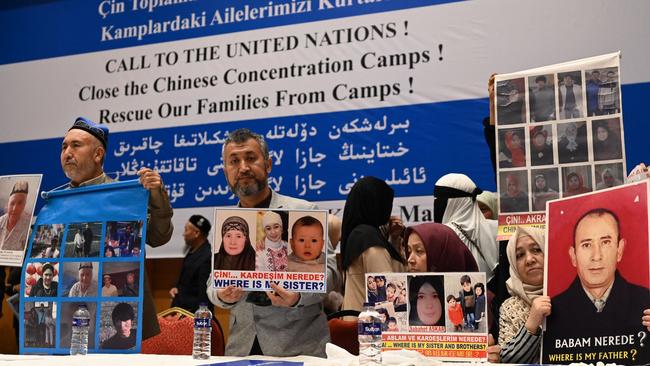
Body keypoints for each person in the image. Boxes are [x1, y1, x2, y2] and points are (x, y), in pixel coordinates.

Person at [206, 128, 330, 357]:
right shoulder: (224, 225)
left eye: (251, 158)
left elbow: (331, 275)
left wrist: (298, 297)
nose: (243, 167)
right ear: (225, 171)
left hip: (299, 349)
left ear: (268, 164)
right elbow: (213, 283)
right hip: (242, 349)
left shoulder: (304, 212)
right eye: (234, 161)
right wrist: (221, 296)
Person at [60, 117, 173, 339]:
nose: (67, 152)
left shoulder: (124, 198)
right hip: (70, 328)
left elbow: (159, 237)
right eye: (64, 146)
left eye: (75, 145)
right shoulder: (55, 201)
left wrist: (157, 197)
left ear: (98, 154)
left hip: (121, 323)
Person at [543, 208, 650, 364]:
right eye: (586, 245)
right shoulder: (553, 310)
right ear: (573, 256)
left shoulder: (645, 300)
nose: (596, 256)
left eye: (606, 242)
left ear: (619, 250)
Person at [340, 176, 405, 312]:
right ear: (376, 204)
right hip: (373, 328)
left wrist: (393, 239)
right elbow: (387, 292)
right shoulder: (370, 241)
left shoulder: (359, 235)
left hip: (357, 323)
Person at [490, 226, 550, 364]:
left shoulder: (574, 296)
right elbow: (508, 361)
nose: (529, 259)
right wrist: (533, 321)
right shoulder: (510, 307)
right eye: (519, 255)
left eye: (536, 249)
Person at [434, 173, 498, 281]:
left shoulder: (444, 236)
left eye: (441, 198)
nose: (437, 203)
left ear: (456, 202)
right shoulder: (497, 227)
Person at [170, 214, 213, 313]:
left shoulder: (207, 257)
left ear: (196, 233)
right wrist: (176, 287)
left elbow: (204, 294)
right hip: (183, 311)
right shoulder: (192, 251)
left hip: (195, 315)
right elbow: (186, 278)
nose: (183, 234)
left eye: (186, 230)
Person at [404, 222, 479, 273]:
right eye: (409, 251)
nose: (410, 260)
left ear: (441, 255)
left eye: (419, 251)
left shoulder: (482, 295)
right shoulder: (403, 295)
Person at [0, 181, 31, 251]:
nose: (15, 208)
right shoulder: (1, 221)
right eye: (12, 203)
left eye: (20, 203)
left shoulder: (27, 225)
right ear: (8, 204)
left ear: (24, 205)